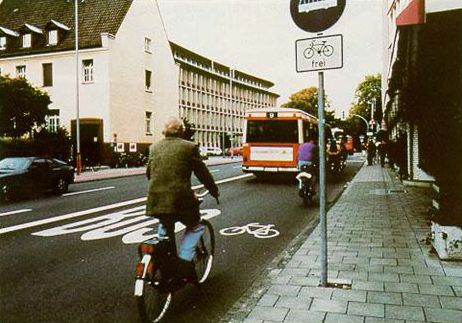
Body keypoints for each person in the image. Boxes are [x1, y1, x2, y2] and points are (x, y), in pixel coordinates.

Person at [146, 117, 219, 284]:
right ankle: (184, 263)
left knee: (165, 228)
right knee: (195, 226)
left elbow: (149, 174)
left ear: (164, 131)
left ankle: (165, 266)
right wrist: (214, 191)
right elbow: (202, 173)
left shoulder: (153, 147)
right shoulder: (189, 147)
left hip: (156, 200)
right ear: (182, 131)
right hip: (181, 200)